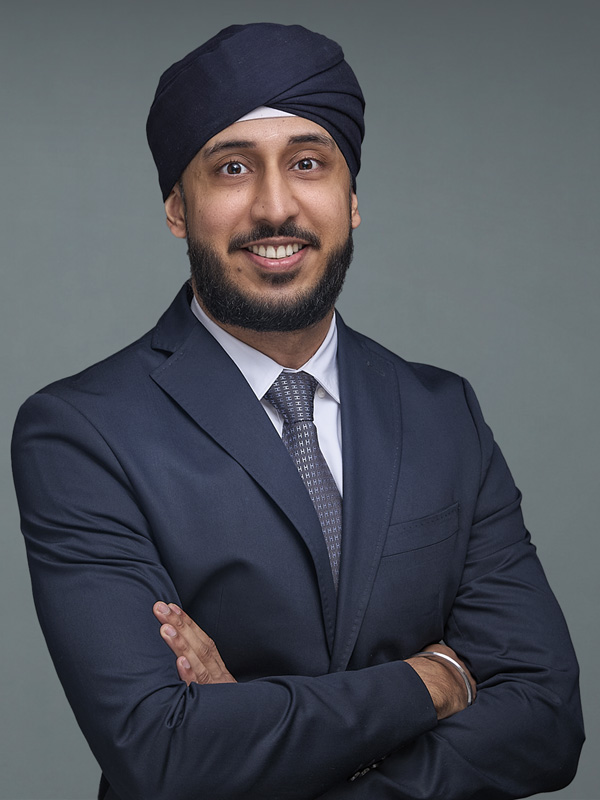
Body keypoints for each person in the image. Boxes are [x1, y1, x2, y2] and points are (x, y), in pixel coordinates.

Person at [12, 22, 583, 800]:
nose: (275, 207)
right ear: (178, 207)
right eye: (233, 167)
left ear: (352, 200)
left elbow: (547, 719)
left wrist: (255, 739)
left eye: (308, 163)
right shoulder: (82, 432)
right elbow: (162, 751)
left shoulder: (443, 413)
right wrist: (439, 678)